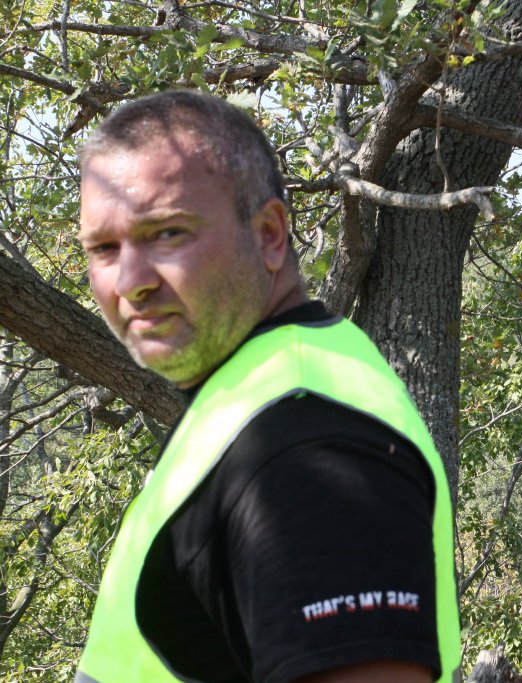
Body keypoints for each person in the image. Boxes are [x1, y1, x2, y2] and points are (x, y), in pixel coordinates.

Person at [73, 90, 460, 683]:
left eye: (168, 233)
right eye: (104, 248)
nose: (130, 281)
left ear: (269, 236)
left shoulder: (305, 444)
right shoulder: (261, 389)